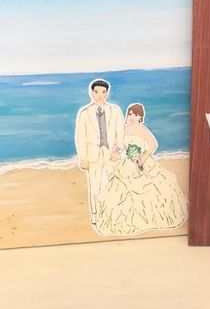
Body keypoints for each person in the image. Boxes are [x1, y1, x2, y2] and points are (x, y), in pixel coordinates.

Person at [94, 103, 188, 236]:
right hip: (127, 164)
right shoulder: (124, 130)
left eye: (136, 114)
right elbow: (121, 145)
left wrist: (143, 158)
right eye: (130, 114)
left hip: (142, 162)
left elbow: (153, 144)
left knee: (150, 188)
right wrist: (114, 151)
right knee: (121, 190)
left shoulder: (143, 130)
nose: (132, 117)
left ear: (140, 117)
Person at [74, 79, 125, 226]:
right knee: (95, 186)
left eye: (103, 92)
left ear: (107, 93)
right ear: (91, 93)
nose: (100, 95)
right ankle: (96, 215)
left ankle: (113, 214)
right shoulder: (84, 113)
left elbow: (121, 132)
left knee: (113, 183)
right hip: (93, 155)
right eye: (97, 92)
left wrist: (118, 150)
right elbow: (80, 137)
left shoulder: (115, 110)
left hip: (111, 153)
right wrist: (83, 158)